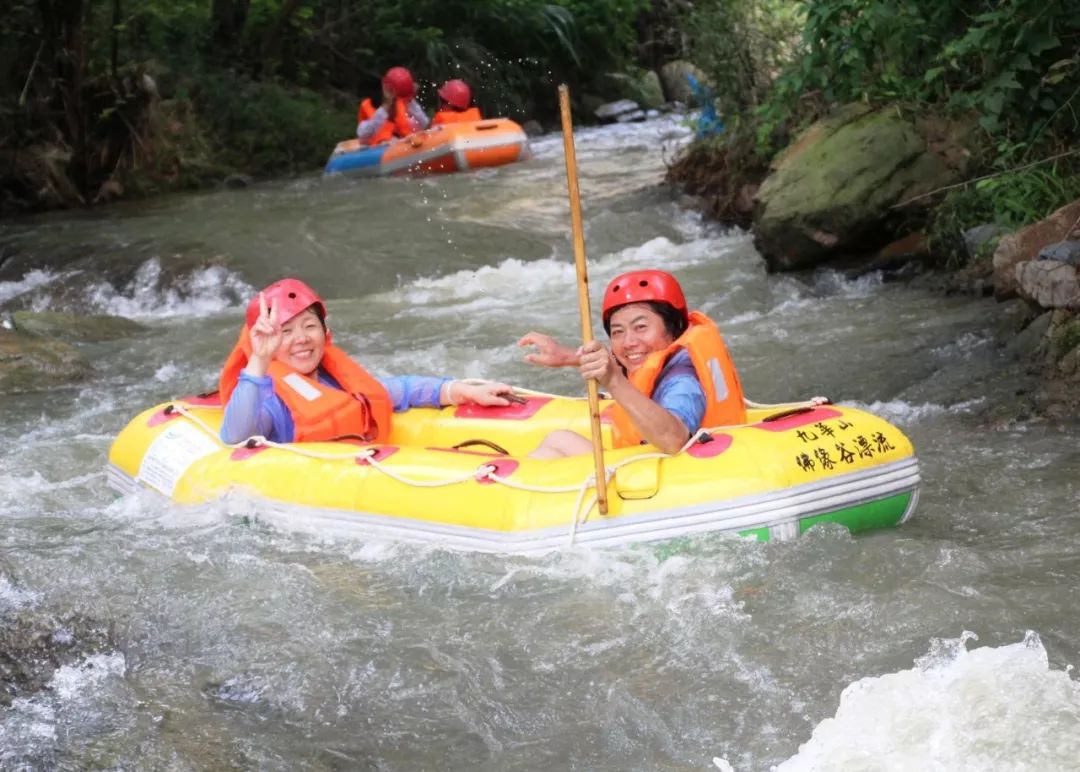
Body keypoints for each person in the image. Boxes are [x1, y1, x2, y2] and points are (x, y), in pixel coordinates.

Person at [219, 278, 513, 445]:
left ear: (325, 332)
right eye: (285, 332)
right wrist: (260, 358)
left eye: (309, 326)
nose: (302, 339)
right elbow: (236, 437)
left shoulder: (336, 381)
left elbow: (400, 390)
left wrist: (461, 390)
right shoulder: (270, 401)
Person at [518, 269, 750, 458]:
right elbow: (626, 363)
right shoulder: (662, 359)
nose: (629, 342)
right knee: (559, 439)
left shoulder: (682, 381)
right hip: (654, 466)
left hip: (682, 481)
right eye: (618, 331)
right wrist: (567, 356)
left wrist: (613, 381)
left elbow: (674, 440)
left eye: (641, 327)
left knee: (554, 448)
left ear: (673, 328)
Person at [356, 66, 430, 145]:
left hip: (402, 147)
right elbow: (363, 134)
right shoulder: (371, 109)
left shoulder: (407, 108)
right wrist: (387, 104)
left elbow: (425, 124)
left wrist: (410, 99)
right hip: (378, 148)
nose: (395, 103)